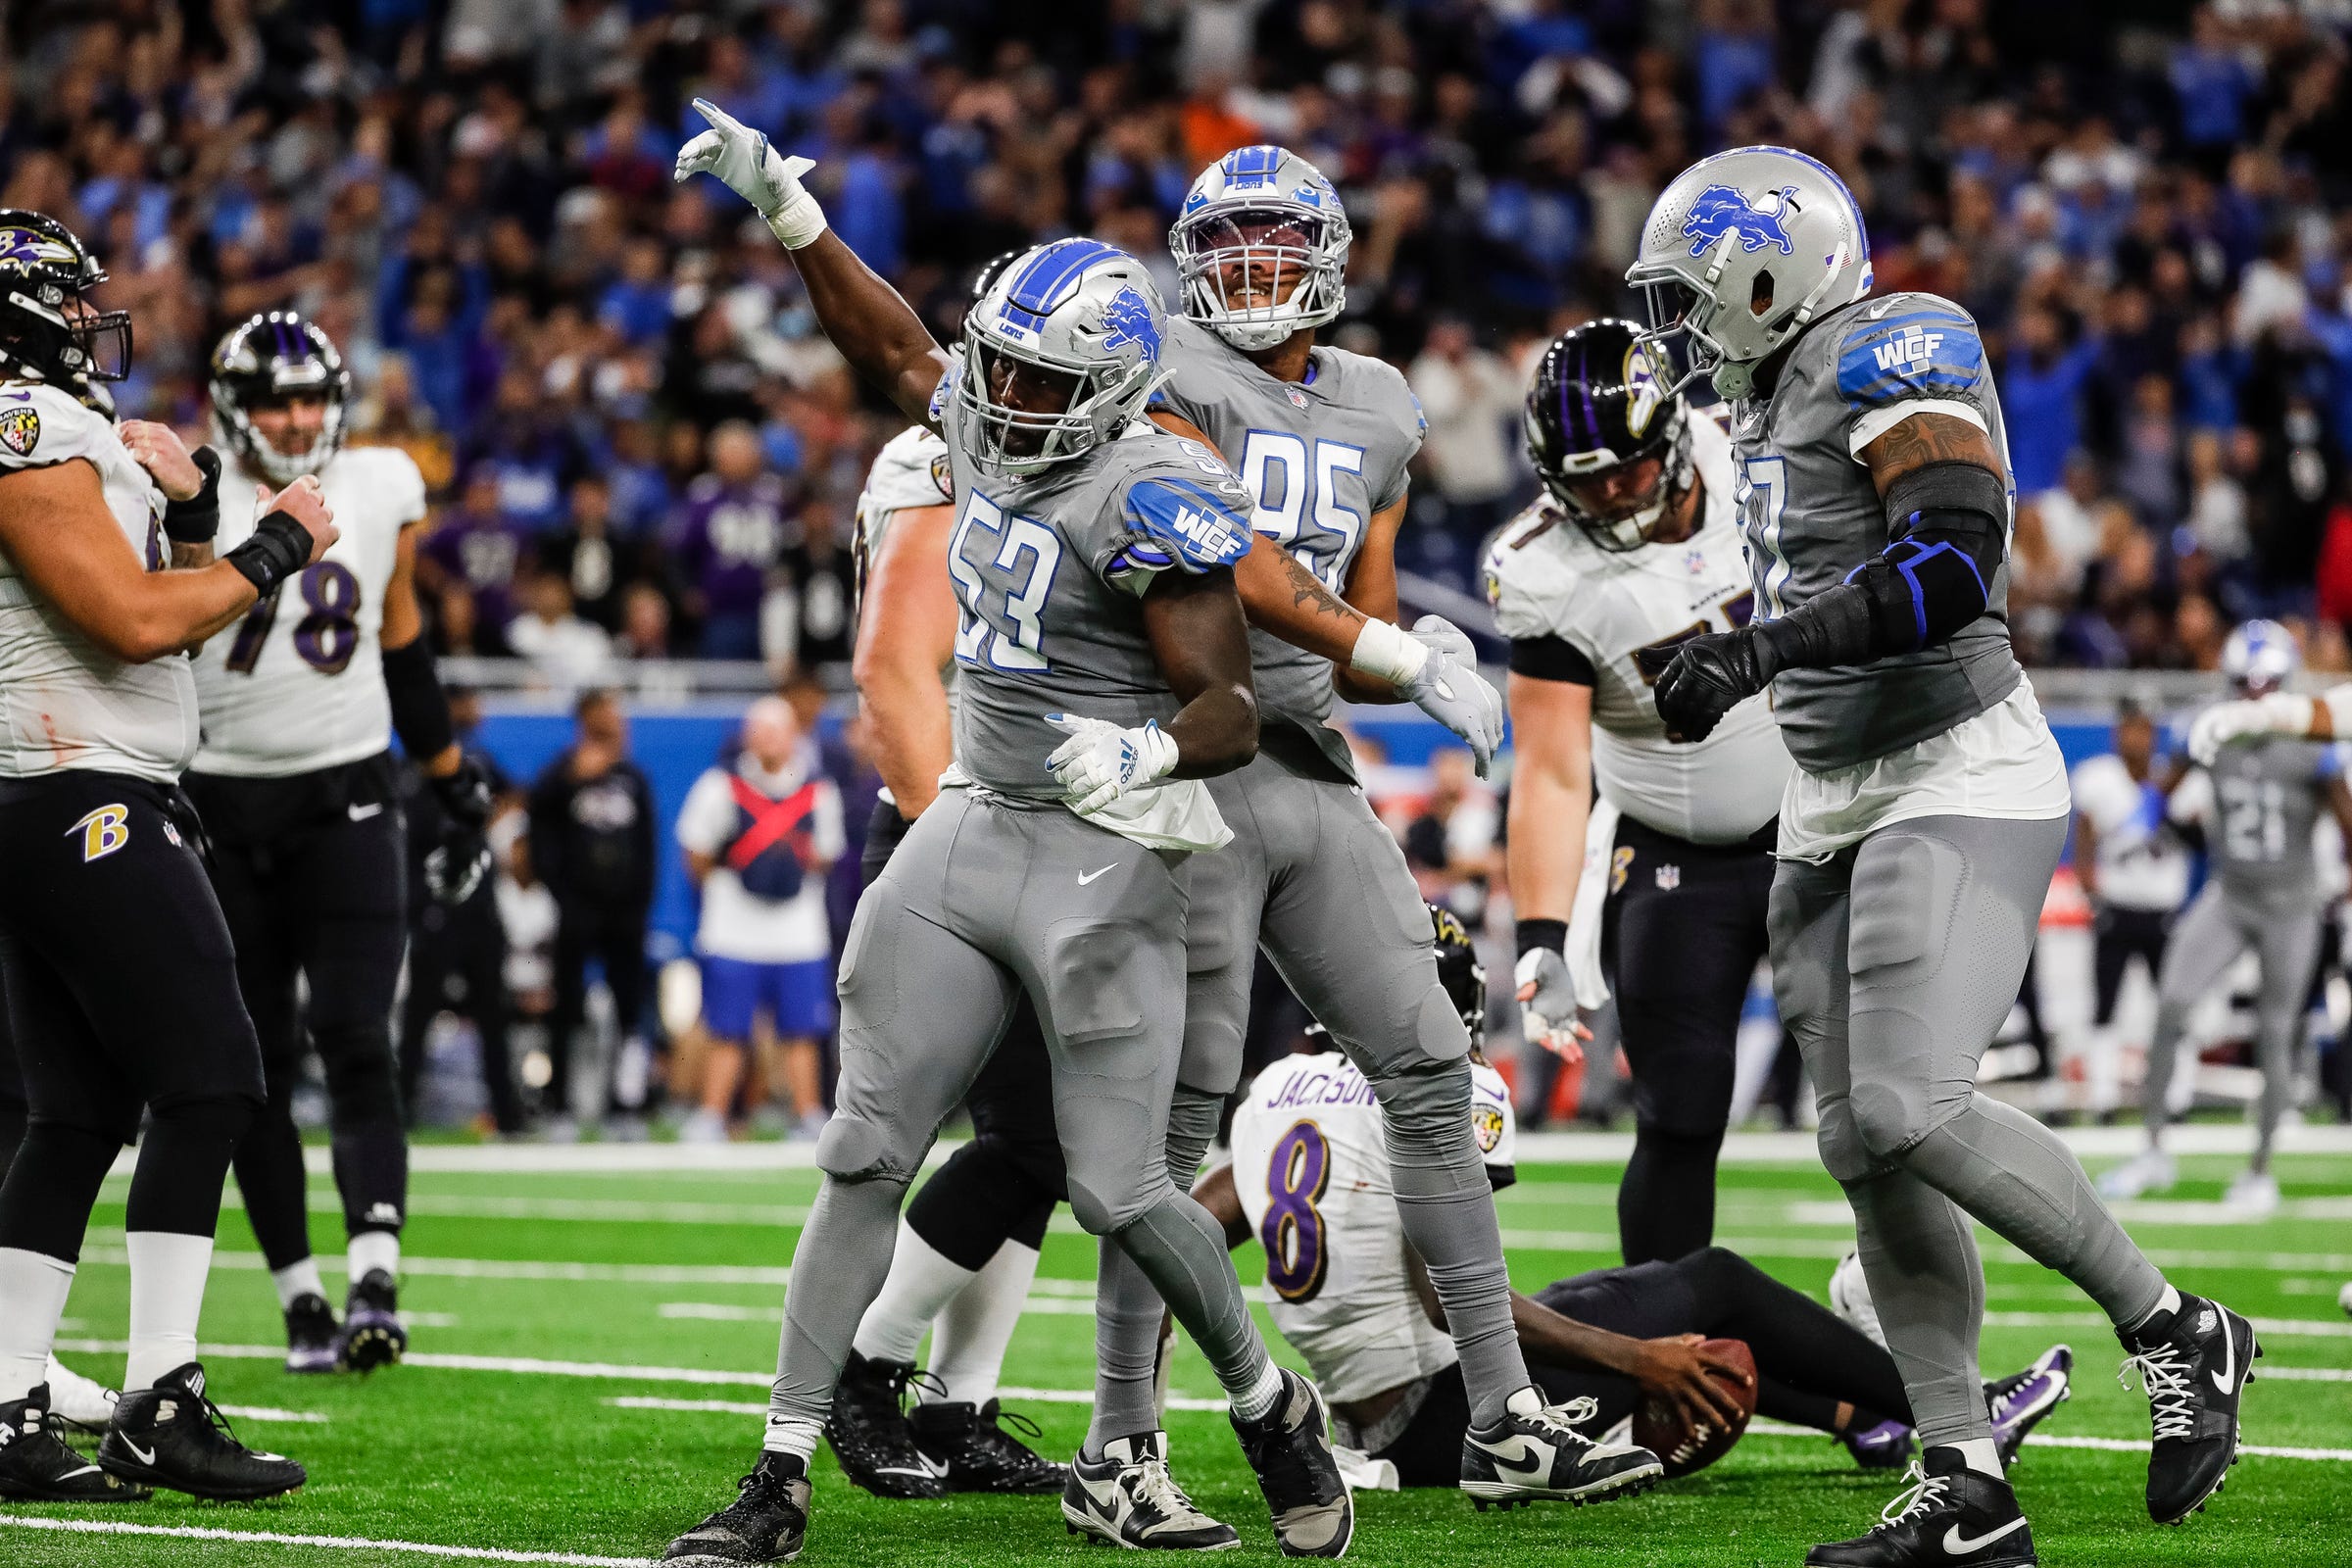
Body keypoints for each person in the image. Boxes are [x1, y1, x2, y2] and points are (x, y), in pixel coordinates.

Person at [667, 108, 1350, 1563]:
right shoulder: (987, 411)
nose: (1005, 396)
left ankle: (1264, 1397)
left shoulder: (1153, 487)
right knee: (863, 1150)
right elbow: (895, 350)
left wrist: (1146, 746)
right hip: (970, 824)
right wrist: (792, 214)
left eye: (1042, 379)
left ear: (1111, 390)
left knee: (1116, 1184)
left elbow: (1231, 706)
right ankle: (780, 1471)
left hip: (1097, 855)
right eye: (1001, 366)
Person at [1626, 150, 2253, 1564]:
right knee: (1859, 1140)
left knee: (1912, 1104)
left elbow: (1954, 559)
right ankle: (1965, 1479)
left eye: (1695, 295)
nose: (1682, 328)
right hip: (1830, 789)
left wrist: (1758, 652)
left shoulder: (1894, 342)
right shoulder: (1763, 393)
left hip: (1954, 761)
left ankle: (2176, 1325)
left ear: (1774, 276)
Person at [1070, 143, 1653, 1531]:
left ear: (1330, 260)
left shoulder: (1382, 402)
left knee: (1431, 1065)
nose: (1250, 270)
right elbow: (1237, 563)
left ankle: (1504, 1417)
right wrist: (1399, 655)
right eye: (1227, 244)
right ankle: (1118, 1445)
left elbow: (1358, 611)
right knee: (1178, 1126)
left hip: (1309, 767)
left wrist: (1408, 653)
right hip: (1189, 765)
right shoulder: (1165, 376)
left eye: (1276, 242)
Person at [1200, 906, 2074, 1485]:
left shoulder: (1277, 1089)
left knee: (1623, 1296)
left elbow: (1191, 1230)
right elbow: (1452, 1302)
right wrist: (1636, 1360)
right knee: (1713, 1283)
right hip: (1449, 1416)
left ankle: (1860, 1416)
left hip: (1359, 1424)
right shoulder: (1440, 1091)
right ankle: (1964, 1414)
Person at [0, 209, 318, 1502]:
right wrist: (275, 543)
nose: (93, 322)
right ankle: (161, 1399)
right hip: (79, 788)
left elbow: (175, 618)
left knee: (78, 1113)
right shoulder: (23, 425)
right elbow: (130, 622)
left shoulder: (59, 427)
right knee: (214, 1081)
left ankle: (7, 1401)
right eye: (73, 302)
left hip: (65, 788)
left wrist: (197, 515)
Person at [183, 311, 495, 1376]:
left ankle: (374, 1275)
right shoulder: (186, 488)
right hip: (220, 801)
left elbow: (401, 639)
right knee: (254, 1061)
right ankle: (299, 1296)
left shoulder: (378, 484)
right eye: (276, 401)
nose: (297, 418)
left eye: (312, 397)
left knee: (358, 1032)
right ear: (235, 408)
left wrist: (449, 777)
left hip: (350, 791)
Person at [828, 261, 1072, 1500]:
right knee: (992, 1138)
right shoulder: (934, 461)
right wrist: (963, 847)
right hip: (961, 829)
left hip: (1045, 828)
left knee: (1043, 1142)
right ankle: (863, 1367)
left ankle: (962, 1402)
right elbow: (894, 675)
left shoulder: (1078, 461)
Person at [1490, 318, 1791, 1266]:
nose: (1612, 494)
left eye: (1626, 469)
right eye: (1587, 481)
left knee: (1886, 1104)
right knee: (1680, 1108)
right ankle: (1659, 1333)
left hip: (1825, 824)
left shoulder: (1757, 455)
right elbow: (1550, 769)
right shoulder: (1543, 571)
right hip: (1669, 847)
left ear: (1673, 434)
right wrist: (1541, 937)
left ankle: (1903, 1321)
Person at [2101, 623, 2352, 1211]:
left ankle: (2260, 1170)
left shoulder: (2314, 747)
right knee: (2172, 1003)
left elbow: (2347, 821)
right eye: (2246, 683)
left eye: (2267, 684)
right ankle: (2152, 1149)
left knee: (2275, 1032)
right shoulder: (2210, 728)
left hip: (2292, 904)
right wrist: (2150, 828)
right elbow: (2161, 794)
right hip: (2230, 895)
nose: (2256, 696)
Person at [674, 696, 844, 1144]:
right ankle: (712, 1115)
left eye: (776, 731)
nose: (767, 740)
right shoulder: (720, 786)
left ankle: (808, 1115)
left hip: (798, 933)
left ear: (793, 736)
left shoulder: (819, 791)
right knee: (726, 1030)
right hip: (733, 932)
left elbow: (825, 856)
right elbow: (695, 851)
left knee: (802, 1031)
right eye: (759, 730)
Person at [526, 687, 657, 1137]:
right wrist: (563, 895)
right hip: (578, 910)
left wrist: (639, 907)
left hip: (624, 916)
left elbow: (647, 850)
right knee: (565, 1009)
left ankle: (627, 1105)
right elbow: (538, 830)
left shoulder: (632, 777)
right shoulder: (560, 774)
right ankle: (558, 1105)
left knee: (629, 1012)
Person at [2068, 701, 2190, 1123]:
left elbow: (2196, 836)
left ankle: (2176, 1096)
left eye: (2143, 730)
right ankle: (2103, 1098)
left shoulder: (2173, 783)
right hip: (2117, 907)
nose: (2135, 739)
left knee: (2173, 1004)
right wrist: (2090, 887)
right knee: (2105, 1005)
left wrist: (2167, 803)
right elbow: (2085, 837)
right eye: (2129, 730)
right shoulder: (2101, 778)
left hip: (2163, 910)